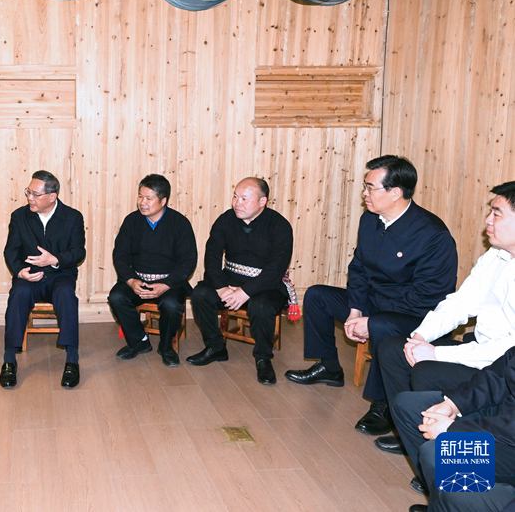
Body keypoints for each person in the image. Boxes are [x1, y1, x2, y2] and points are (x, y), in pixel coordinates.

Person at [285, 155, 458, 437]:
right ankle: (329, 367)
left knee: (381, 325)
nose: (364, 194)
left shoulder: (433, 235)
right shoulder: (370, 220)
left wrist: (370, 319)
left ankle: (384, 404)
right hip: (374, 304)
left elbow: (428, 296)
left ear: (395, 192)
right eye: (365, 186)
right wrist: (356, 309)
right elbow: (359, 269)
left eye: (370, 187)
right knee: (317, 295)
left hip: (413, 314)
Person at [374, 181, 515, 492]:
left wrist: (437, 353)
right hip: (479, 350)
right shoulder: (495, 256)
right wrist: (421, 336)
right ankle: (418, 444)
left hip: (500, 371)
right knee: (394, 349)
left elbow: (508, 353)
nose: (488, 221)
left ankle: (442, 468)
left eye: (496, 214)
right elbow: (460, 304)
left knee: (426, 370)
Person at [187, 177, 295, 385]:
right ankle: (216, 347)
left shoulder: (279, 226)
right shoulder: (226, 219)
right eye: (235, 197)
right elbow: (212, 256)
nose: (237, 203)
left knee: (261, 306)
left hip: (266, 285)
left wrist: (245, 292)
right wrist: (220, 287)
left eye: (245, 199)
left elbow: (275, 269)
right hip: (229, 279)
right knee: (200, 294)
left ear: (262, 201)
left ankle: (263, 358)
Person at [392, 345, 515, 512]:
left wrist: (454, 429)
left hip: (509, 437)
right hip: (504, 413)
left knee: (440, 453)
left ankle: (454, 501)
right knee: (409, 406)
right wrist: (453, 404)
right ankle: (441, 500)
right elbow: (500, 373)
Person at [0, 171, 86, 389]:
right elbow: (11, 251)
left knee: (66, 294)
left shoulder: (73, 217)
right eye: (28, 192)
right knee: (18, 294)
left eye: (35, 194)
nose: (30, 198)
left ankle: (72, 360)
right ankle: (9, 360)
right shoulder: (19, 216)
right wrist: (20, 272)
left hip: (60, 274)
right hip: (29, 275)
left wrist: (54, 260)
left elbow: (78, 252)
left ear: (52, 196)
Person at [109, 174, 197, 367]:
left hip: (169, 282)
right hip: (138, 280)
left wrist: (165, 285)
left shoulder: (179, 223)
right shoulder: (132, 221)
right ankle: (139, 341)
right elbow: (120, 255)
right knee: (117, 297)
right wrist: (131, 280)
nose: (142, 202)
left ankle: (166, 347)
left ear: (163, 201)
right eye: (140, 196)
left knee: (171, 304)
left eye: (149, 198)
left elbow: (188, 261)